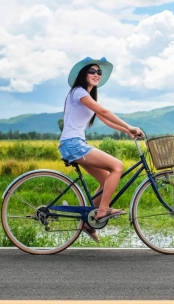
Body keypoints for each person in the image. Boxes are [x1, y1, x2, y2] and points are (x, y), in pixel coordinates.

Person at [59, 57, 143, 242]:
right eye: (92, 71)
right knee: (117, 166)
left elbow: (105, 120)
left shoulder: (86, 96)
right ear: (83, 74)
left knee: (107, 180)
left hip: (75, 144)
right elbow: (105, 112)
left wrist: (126, 132)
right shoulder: (78, 92)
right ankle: (102, 211)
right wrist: (130, 126)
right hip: (73, 144)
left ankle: (89, 223)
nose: (96, 74)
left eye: (99, 72)